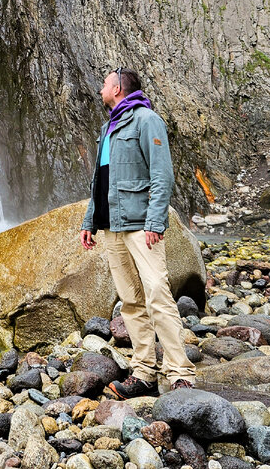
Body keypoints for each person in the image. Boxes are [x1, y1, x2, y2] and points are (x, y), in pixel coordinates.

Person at [79, 67, 195, 397]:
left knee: (158, 294)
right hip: (112, 228)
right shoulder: (108, 129)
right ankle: (143, 373)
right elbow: (100, 183)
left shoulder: (146, 120)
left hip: (140, 226)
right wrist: (90, 222)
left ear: (117, 88)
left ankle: (180, 373)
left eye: (104, 83)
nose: (100, 88)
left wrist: (155, 222)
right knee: (130, 302)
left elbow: (163, 175)